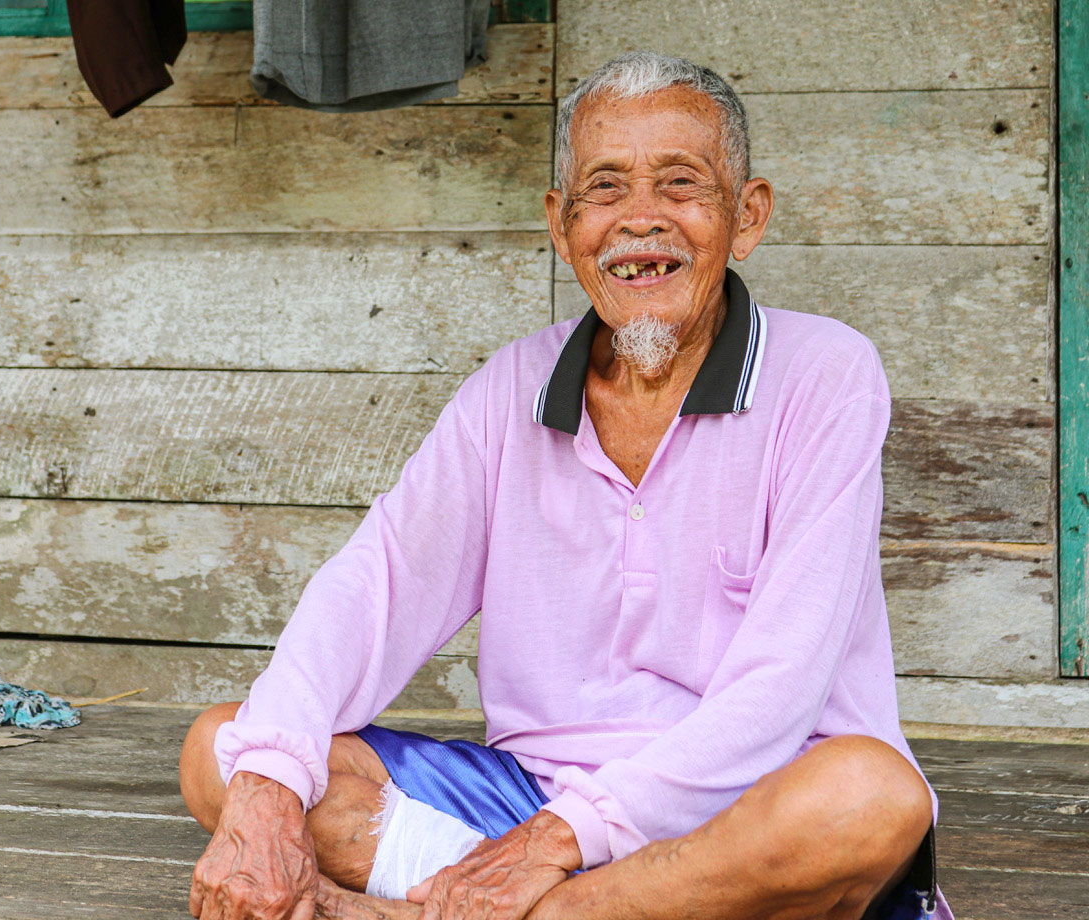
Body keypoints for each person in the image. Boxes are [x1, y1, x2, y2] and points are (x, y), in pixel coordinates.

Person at [179, 51, 952, 920]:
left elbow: (778, 693)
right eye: (606, 188)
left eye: (680, 183)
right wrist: (270, 780)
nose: (640, 221)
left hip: (734, 815)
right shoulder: (512, 387)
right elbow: (375, 586)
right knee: (232, 749)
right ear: (561, 222)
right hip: (527, 802)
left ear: (748, 216)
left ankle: (450, 908)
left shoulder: (827, 374)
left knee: (870, 796)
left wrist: (556, 847)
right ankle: (543, 907)